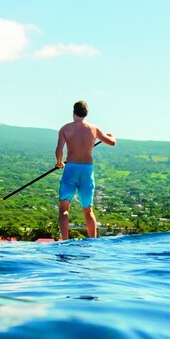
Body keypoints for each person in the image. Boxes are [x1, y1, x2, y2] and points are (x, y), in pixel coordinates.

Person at [54, 100, 117, 239]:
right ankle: (92, 241)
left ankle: (64, 240)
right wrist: (112, 136)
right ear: (86, 114)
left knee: (64, 209)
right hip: (87, 170)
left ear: (73, 112)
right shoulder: (93, 129)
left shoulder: (65, 129)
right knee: (88, 210)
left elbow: (59, 149)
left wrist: (59, 163)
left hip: (71, 169)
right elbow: (111, 142)